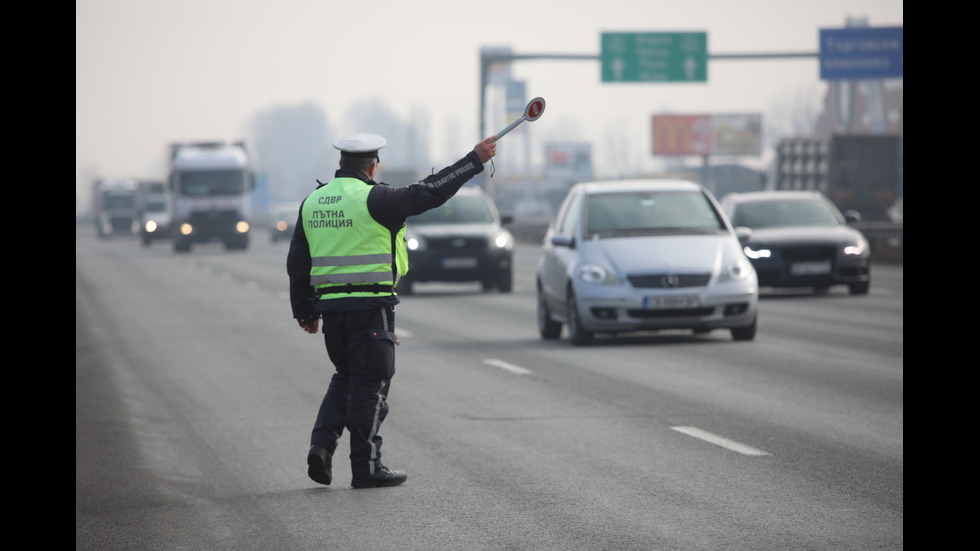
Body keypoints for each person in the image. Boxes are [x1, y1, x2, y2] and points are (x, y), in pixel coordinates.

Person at [287, 132, 498, 489]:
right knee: (370, 384)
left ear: (340, 164)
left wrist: (304, 312)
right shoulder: (377, 198)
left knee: (346, 378)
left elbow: (297, 262)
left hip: (333, 312)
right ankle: (366, 467)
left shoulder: (313, 202)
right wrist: (474, 160)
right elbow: (431, 190)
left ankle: (321, 447)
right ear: (373, 166)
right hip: (370, 307)